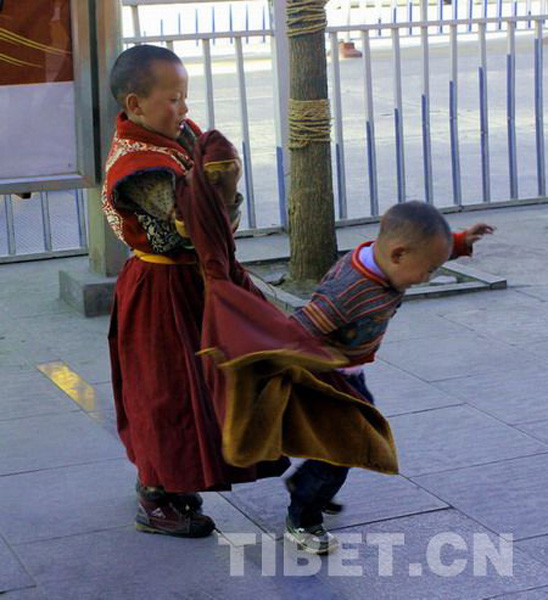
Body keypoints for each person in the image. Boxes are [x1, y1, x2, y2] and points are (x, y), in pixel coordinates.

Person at [102, 44, 288, 539]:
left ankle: (178, 479)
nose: (184, 110)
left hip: (194, 281)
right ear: (136, 105)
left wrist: (220, 199)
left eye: (185, 97)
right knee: (164, 393)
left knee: (204, 387)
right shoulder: (137, 165)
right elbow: (197, 222)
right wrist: (222, 193)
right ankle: (156, 494)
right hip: (159, 289)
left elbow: (218, 213)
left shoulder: (177, 135)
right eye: (173, 99)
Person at [283, 202, 494, 554]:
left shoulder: (384, 258)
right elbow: (298, 330)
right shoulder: (347, 292)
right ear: (398, 255)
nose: (427, 277)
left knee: (351, 440)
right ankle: (303, 515)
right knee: (348, 444)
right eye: (427, 270)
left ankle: (309, 483)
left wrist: (458, 243)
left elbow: (420, 247)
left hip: (349, 371)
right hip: (326, 378)